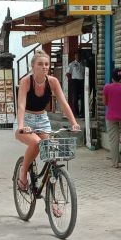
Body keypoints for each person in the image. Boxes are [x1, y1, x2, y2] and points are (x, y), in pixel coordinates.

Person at [16, 51, 80, 201]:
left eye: (46, 64)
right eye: (40, 64)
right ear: (32, 66)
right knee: (36, 143)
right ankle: (23, 173)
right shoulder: (26, 81)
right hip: (26, 119)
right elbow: (21, 105)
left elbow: (63, 103)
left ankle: (53, 202)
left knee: (53, 153)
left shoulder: (52, 81)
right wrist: (21, 125)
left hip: (43, 119)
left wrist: (74, 123)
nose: (44, 67)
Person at [102, 67, 121, 168]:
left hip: (111, 117)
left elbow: (105, 102)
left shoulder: (107, 87)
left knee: (114, 140)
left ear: (112, 78)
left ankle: (115, 163)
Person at [65, 53, 85, 118]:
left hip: (82, 81)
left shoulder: (83, 64)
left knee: (83, 98)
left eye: (79, 56)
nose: (78, 57)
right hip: (74, 81)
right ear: (75, 57)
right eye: (76, 56)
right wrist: (71, 82)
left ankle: (82, 113)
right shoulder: (72, 64)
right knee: (75, 98)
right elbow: (68, 73)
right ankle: (76, 113)